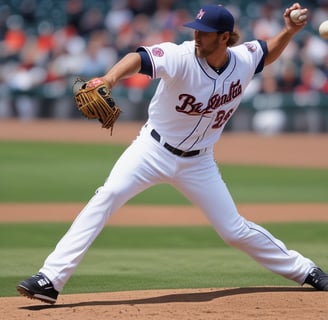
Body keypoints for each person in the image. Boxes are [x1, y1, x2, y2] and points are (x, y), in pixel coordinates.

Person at [17, 3, 328, 304]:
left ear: (224, 37)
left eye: (204, 32)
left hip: (200, 162)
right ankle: (50, 279)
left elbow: (266, 52)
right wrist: (109, 79)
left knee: (233, 230)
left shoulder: (242, 59)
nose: (196, 36)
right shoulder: (180, 55)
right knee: (107, 195)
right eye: (195, 29)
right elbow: (138, 58)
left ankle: (307, 270)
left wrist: (288, 31)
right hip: (152, 150)